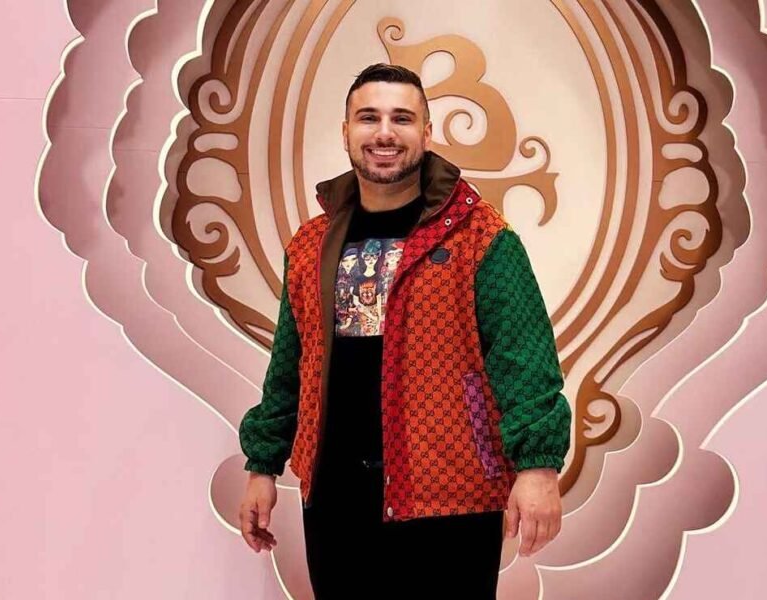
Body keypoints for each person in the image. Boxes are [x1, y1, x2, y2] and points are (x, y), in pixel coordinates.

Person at [236, 63, 571, 599]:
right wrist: (262, 465)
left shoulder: (481, 238)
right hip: (335, 496)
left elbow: (524, 358)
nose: (385, 133)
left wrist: (538, 467)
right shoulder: (311, 245)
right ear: (346, 131)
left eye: (402, 118)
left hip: (450, 494)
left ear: (427, 132)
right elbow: (289, 365)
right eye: (369, 118)